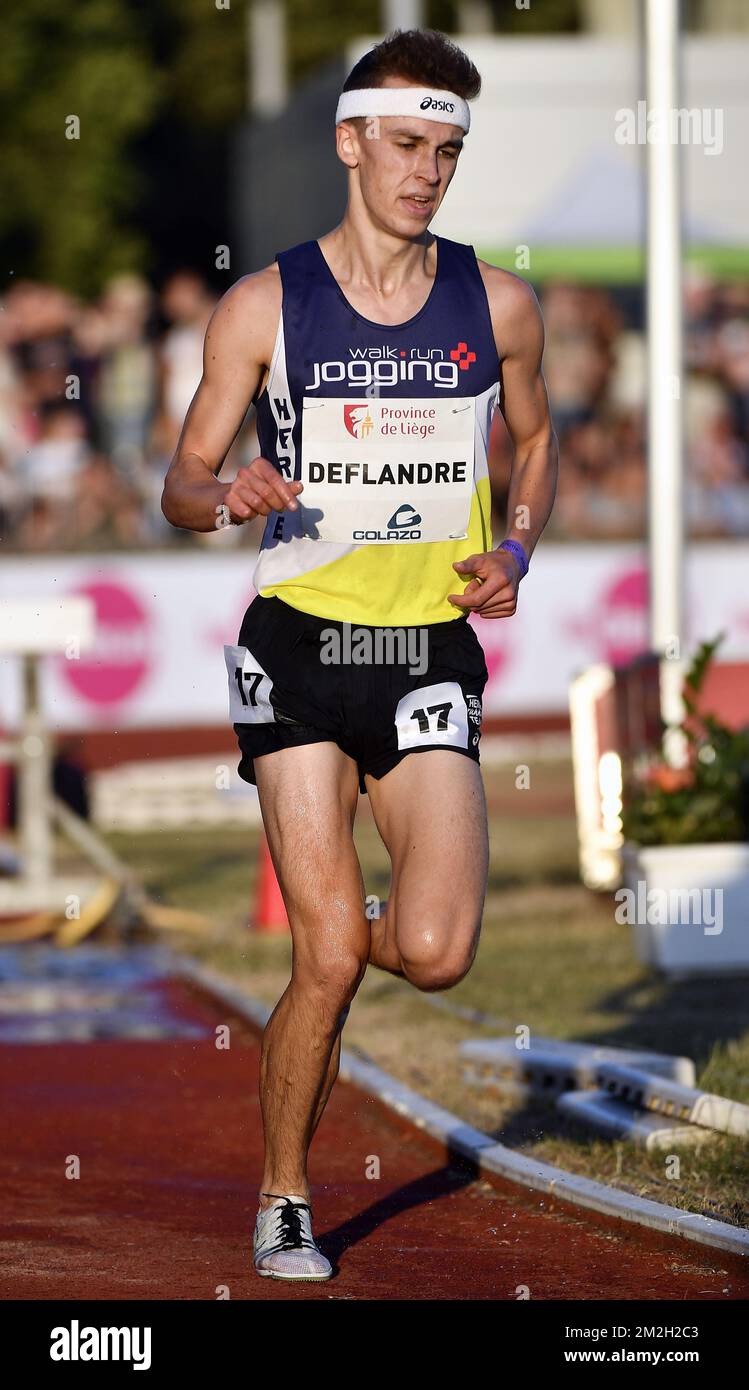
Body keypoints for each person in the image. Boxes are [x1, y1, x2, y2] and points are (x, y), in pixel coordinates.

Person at [161, 27, 558, 1283]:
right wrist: (228, 494)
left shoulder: (495, 301)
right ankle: (285, 1194)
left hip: (428, 651)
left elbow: (536, 447)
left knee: (434, 953)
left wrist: (522, 547)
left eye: (445, 150)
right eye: (403, 145)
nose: (425, 171)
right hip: (298, 652)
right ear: (348, 142)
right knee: (327, 955)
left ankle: (348, 927)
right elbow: (175, 479)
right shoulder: (262, 305)